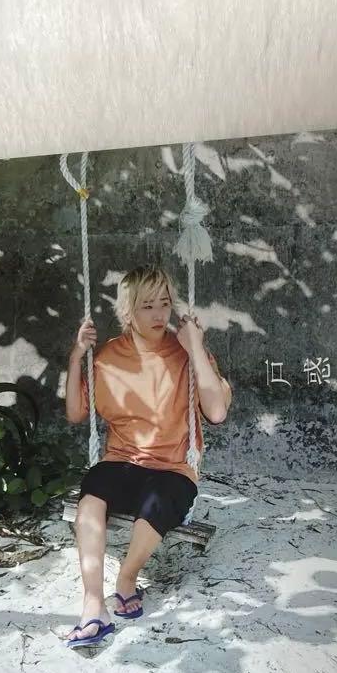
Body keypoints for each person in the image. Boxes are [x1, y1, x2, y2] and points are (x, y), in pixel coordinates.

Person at [61, 264, 232, 647]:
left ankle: (126, 579)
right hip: (122, 462)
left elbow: (217, 412)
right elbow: (75, 413)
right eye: (147, 306)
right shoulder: (108, 356)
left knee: (157, 499)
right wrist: (76, 356)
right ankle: (92, 604)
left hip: (173, 469)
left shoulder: (184, 351)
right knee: (92, 493)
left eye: (165, 304)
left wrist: (197, 348)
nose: (159, 314)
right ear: (128, 311)